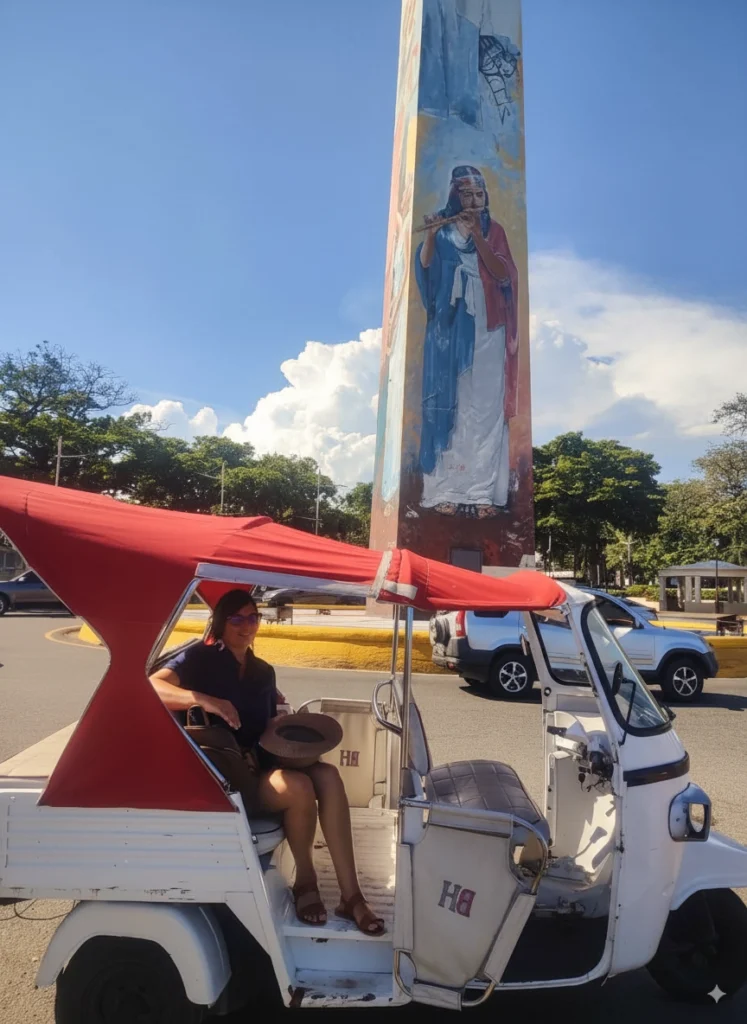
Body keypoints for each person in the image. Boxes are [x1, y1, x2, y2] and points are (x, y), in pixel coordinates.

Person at [149, 588, 384, 935]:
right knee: (299, 786)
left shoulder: (263, 672)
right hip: (229, 776)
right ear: (221, 622)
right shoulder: (200, 658)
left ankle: (351, 895)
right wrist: (206, 701)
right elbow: (152, 687)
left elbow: (267, 728)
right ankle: (306, 880)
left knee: (330, 775)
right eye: (237, 619)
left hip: (264, 762)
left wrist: (282, 724)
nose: (247, 626)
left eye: (253, 618)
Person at [416, 165, 519, 517]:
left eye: (479, 194)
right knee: (452, 407)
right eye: (466, 194)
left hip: (489, 328)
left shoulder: (495, 231)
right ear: (454, 195)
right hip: (450, 328)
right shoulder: (443, 233)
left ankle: (481, 492)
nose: (474, 201)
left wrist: (478, 236)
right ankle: (443, 489)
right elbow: (427, 273)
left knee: (485, 410)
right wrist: (429, 236)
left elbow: (503, 274)